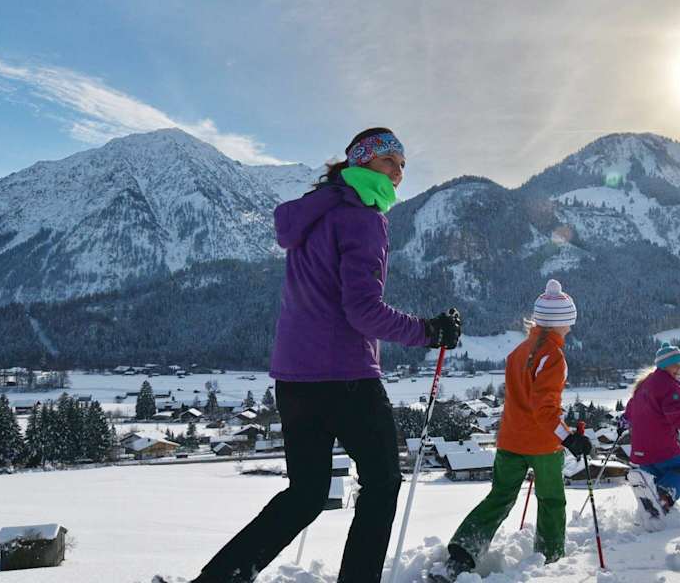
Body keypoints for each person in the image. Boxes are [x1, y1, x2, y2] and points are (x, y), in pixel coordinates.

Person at [191, 128, 462, 583]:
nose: (398, 172)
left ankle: (218, 579)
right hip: (346, 378)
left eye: (402, 164)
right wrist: (428, 331)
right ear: (361, 162)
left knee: (306, 493)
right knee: (381, 485)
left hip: (295, 380)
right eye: (389, 160)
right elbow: (363, 311)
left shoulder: (312, 212)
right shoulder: (362, 216)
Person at [438, 279, 591, 579]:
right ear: (559, 324)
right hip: (543, 445)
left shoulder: (519, 352)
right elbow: (545, 410)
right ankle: (549, 560)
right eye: (568, 323)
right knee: (551, 500)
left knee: (500, 497)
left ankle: (461, 553)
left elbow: (522, 400)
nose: (570, 329)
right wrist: (569, 437)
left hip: (509, 440)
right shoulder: (555, 358)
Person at [622, 341, 680, 511]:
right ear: (664, 366)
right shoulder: (670, 388)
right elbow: (677, 414)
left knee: (656, 479)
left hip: (639, 453)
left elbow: (630, 411)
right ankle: (663, 498)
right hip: (662, 448)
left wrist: (623, 421)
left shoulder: (642, 386)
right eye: (675, 366)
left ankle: (651, 509)